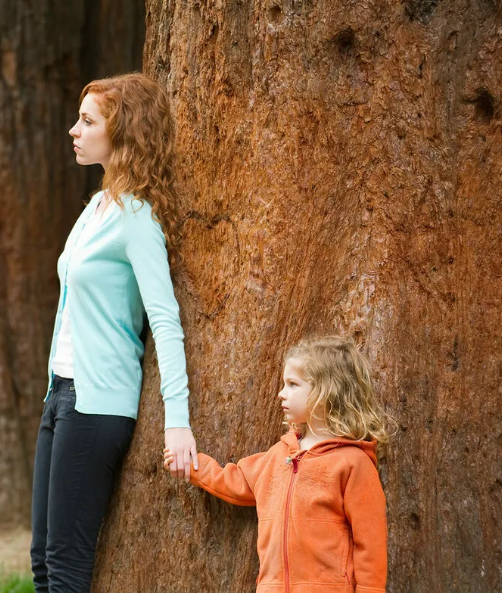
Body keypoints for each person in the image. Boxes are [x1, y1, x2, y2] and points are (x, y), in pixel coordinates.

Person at [30, 73, 198, 592]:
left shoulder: (137, 220)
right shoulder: (94, 210)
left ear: (121, 132)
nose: (73, 131)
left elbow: (165, 319)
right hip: (60, 395)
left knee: (66, 565)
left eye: (87, 122)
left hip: (97, 406)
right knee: (42, 561)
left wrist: (178, 421)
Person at [164, 336, 391, 593]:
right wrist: (192, 465)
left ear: (327, 391)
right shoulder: (279, 454)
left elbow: (370, 543)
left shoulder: (353, 463)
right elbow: (234, 480)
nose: (281, 393)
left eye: (293, 384)